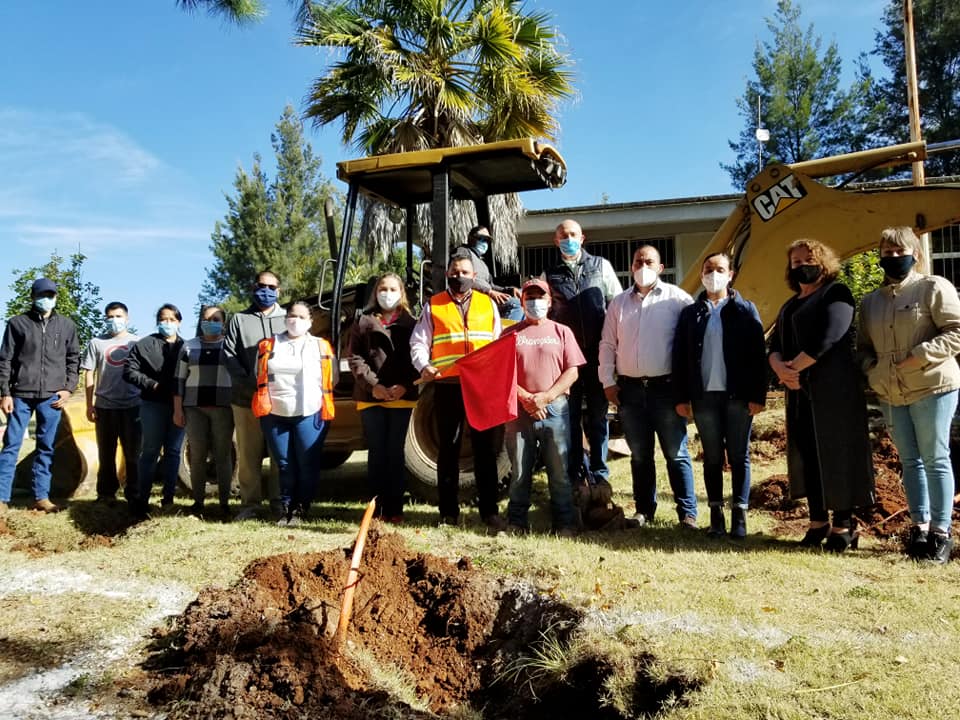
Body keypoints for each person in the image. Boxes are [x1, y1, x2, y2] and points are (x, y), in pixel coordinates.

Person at [858, 227, 960, 563]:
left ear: (914, 254)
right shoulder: (871, 302)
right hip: (891, 392)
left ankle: (941, 535)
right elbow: (863, 349)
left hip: (932, 386)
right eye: (885, 253)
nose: (891, 258)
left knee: (935, 458)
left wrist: (920, 354)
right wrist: (872, 368)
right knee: (909, 461)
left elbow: (956, 331)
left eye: (898, 251)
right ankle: (919, 528)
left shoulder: (933, 287)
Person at [769, 239, 874, 552]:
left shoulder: (836, 293)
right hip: (799, 393)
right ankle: (818, 521)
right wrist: (779, 367)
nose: (802, 266)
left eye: (808, 260)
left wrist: (793, 369)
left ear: (823, 262)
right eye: (796, 262)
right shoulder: (790, 304)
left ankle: (844, 524)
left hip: (833, 392)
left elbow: (830, 336)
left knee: (836, 454)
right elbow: (774, 344)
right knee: (808, 455)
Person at [599, 245, 698, 529]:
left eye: (649, 261)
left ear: (661, 266)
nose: (643, 265)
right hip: (629, 391)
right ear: (631, 267)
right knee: (640, 455)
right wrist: (607, 381)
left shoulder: (678, 300)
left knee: (676, 453)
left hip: (666, 389)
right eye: (638, 261)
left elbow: (691, 346)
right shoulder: (618, 304)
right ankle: (644, 510)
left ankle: (688, 514)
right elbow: (607, 344)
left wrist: (688, 390)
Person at [673, 253, 767, 539]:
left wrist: (757, 395)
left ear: (731, 274)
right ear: (701, 274)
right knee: (712, 457)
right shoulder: (691, 313)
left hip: (737, 396)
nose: (714, 274)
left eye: (720, 269)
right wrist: (682, 396)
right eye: (708, 269)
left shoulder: (744, 309)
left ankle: (739, 515)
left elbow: (757, 356)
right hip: (704, 398)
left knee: (739, 455)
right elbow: (679, 357)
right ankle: (716, 515)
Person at [410, 254, 506, 530]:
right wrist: (423, 366)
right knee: (448, 451)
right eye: (454, 272)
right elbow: (419, 342)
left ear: (474, 276)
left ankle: (490, 512)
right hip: (447, 387)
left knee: (486, 451)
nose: (459, 276)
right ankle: (448, 514)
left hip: (481, 388)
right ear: (447, 274)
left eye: (464, 271)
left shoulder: (488, 305)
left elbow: (497, 343)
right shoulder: (434, 305)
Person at [543, 219, 622, 489]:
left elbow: (617, 306)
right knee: (570, 417)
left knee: (599, 416)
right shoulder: (549, 275)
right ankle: (576, 473)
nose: (568, 238)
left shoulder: (601, 266)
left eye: (573, 234)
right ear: (556, 241)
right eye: (563, 235)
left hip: (599, 354)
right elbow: (544, 313)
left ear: (583, 237)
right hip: (567, 360)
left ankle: (599, 474)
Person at [502, 279, 585, 535]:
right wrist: (527, 398)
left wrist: (546, 397)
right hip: (519, 410)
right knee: (519, 470)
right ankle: (516, 522)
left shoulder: (562, 332)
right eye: (529, 297)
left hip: (555, 409)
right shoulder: (509, 334)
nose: (535, 301)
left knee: (559, 469)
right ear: (522, 301)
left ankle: (564, 523)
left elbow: (572, 372)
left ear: (550, 302)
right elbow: (502, 374)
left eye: (540, 296)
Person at [0, 278, 80, 514]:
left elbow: (73, 359)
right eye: (42, 295)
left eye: (51, 295)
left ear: (56, 297)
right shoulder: (17, 324)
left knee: (46, 447)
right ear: (33, 297)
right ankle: (2, 498)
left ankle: (41, 497)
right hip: (20, 395)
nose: (47, 299)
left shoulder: (67, 326)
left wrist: (68, 388)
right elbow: (5, 360)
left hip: (52, 397)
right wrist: (5, 393)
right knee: (11, 446)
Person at [253, 301, 335, 526]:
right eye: (291, 316)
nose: (295, 321)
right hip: (275, 413)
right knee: (284, 462)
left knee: (307, 462)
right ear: (285, 318)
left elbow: (332, 377)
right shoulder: (269, 345)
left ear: (310, 322)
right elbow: (258, 374)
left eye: (301, 317)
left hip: (309, 413)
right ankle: (286, 506)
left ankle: (302, 507)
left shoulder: (320, 346)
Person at [348, 272, 419, 523]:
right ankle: (375, 510)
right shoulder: (363, 322)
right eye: (382, 289)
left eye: (392, 289)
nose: (387, 294)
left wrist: (404, 385)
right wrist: (374, 386)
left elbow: (419, 358)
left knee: (395, 452)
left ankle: (395, 509)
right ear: (375, 293)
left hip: (402, 396)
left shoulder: (412, 324)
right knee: (377, 452)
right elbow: (355, 358)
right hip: (371, 397)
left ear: (401, 293)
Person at [223, 270, 287, 520]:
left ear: (279, 291)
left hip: (279, 400)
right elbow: (228, 355)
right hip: (245, 398)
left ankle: (280, 502)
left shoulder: (287, 318)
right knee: (249, 454)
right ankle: (250, 504)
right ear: (254, 287)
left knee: (279, 453)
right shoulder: (239, 319)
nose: (267, 291)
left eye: (272, 287)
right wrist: (251, 383)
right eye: (262, 286)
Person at [123, 304, 186, 517]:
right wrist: (152, 384)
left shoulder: (186, 347)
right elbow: (129, 371)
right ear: (157, 321)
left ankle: (168, 497)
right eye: (163, 319)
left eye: (171, 319)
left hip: (179, 406)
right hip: (152, 404)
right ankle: (141, 497)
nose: (167, 323)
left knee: (174, 452)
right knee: (150, 450)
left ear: (179, 322)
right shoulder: (144, 345)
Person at [173, 305, 234, 519]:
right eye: (207, 318)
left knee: (223, 455)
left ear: (223, 322)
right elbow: (179, 380)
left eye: (216, 319)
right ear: (200, 321)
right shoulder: (188, 347)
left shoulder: (230, 346)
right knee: (196, 455)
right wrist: (177, 409)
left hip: (224, 408)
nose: (211, 322)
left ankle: (225, 503)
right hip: (194, 408)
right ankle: (198, 502)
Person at [81, 301, 141, 505]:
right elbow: (89, 374)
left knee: (133, 453)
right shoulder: (96, 343)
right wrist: (89, 405)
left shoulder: (136, 343)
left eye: (118, 316)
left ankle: (134, 493)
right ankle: (106, 493)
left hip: (133, 406)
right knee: (106, 454)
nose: (114, 321)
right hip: (105, 406)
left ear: (127, 318)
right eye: (110, 317)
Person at [456, 225, 521, 318]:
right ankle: (508, 332)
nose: (484, 242)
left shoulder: (482, 263)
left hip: (488, 296)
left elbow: (491, 285)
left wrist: (508, 290)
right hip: (473, 298)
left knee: (523, 298)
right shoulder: (463, 252)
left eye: (487, 240)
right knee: (515, 304)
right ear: (471, 238)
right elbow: (463, 279)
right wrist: (489, 292)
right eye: (481, 238)